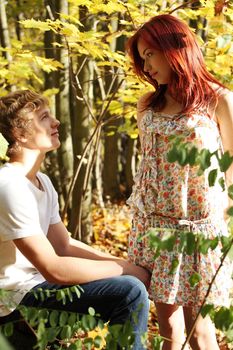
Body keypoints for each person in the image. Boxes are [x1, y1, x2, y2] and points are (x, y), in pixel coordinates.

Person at [0, 89, 151, 350]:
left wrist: (126, 263)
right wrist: (127, 272)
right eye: (44, 117)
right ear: (20, 134)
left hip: (39, 290)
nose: (56, 122)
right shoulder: (9, 185)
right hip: (14, 301)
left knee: (131, 283)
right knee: (129, 292)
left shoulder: (42, 182)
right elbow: (54, 268)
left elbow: (64, 245)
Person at [126, 13, 233, 350]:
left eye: (149, 54)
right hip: (154, 228)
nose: (146, 66)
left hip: (199, 233)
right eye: (141, 58)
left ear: (172, 48)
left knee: (201, 334)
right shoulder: (148, 104)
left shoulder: (219, 99)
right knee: (168, 334)